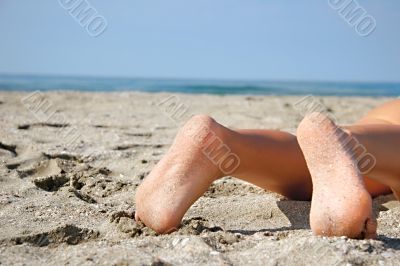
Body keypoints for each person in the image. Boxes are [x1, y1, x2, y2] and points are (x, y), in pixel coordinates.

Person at [134, 99, 400, 239]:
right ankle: (350, 143)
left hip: (385, 117)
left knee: (320, 158)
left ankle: (226, 145)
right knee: (348, 157)